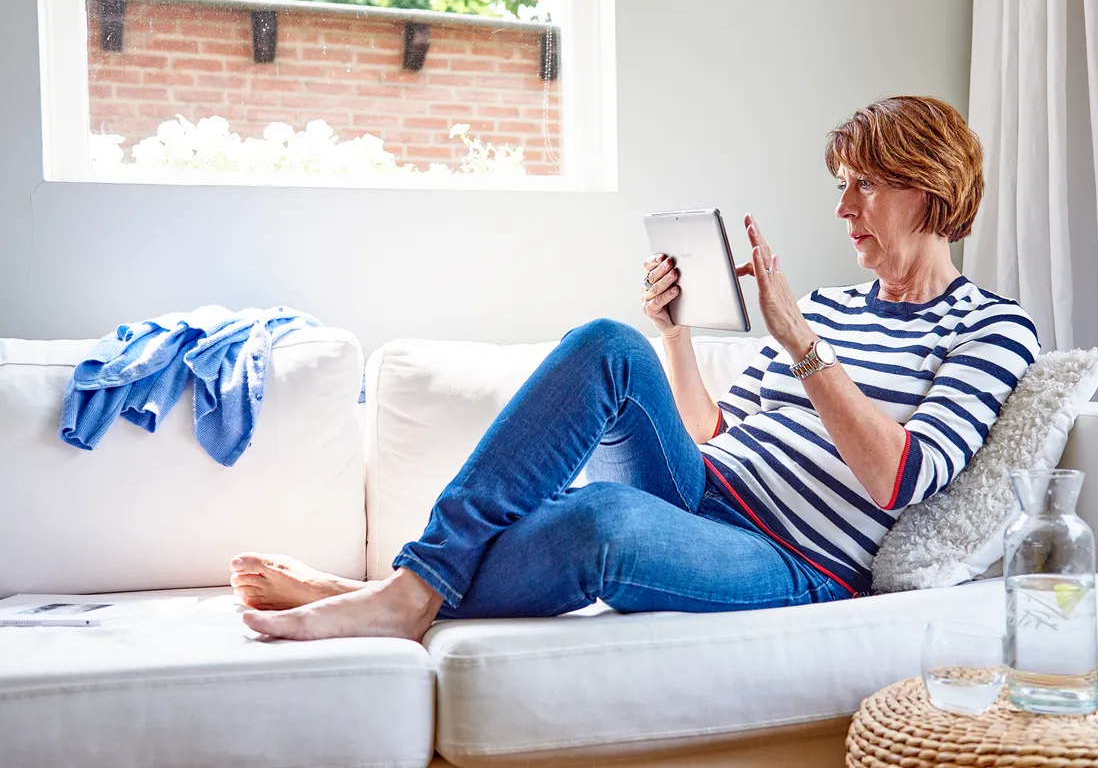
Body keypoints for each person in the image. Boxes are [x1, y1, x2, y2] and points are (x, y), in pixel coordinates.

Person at [231, 96, 1040, 642]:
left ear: (929, 187)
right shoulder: (831, 307)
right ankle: (408, 591)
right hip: (704, 489)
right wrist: (676, 336)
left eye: (864, 185)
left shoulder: (993, 328)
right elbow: (714, 433)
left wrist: (800, 342)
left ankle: (380, 594)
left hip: (797, 560)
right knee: (607, 341)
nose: (844, 208)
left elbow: (902, 479)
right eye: (841, 185)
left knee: (602, 520)